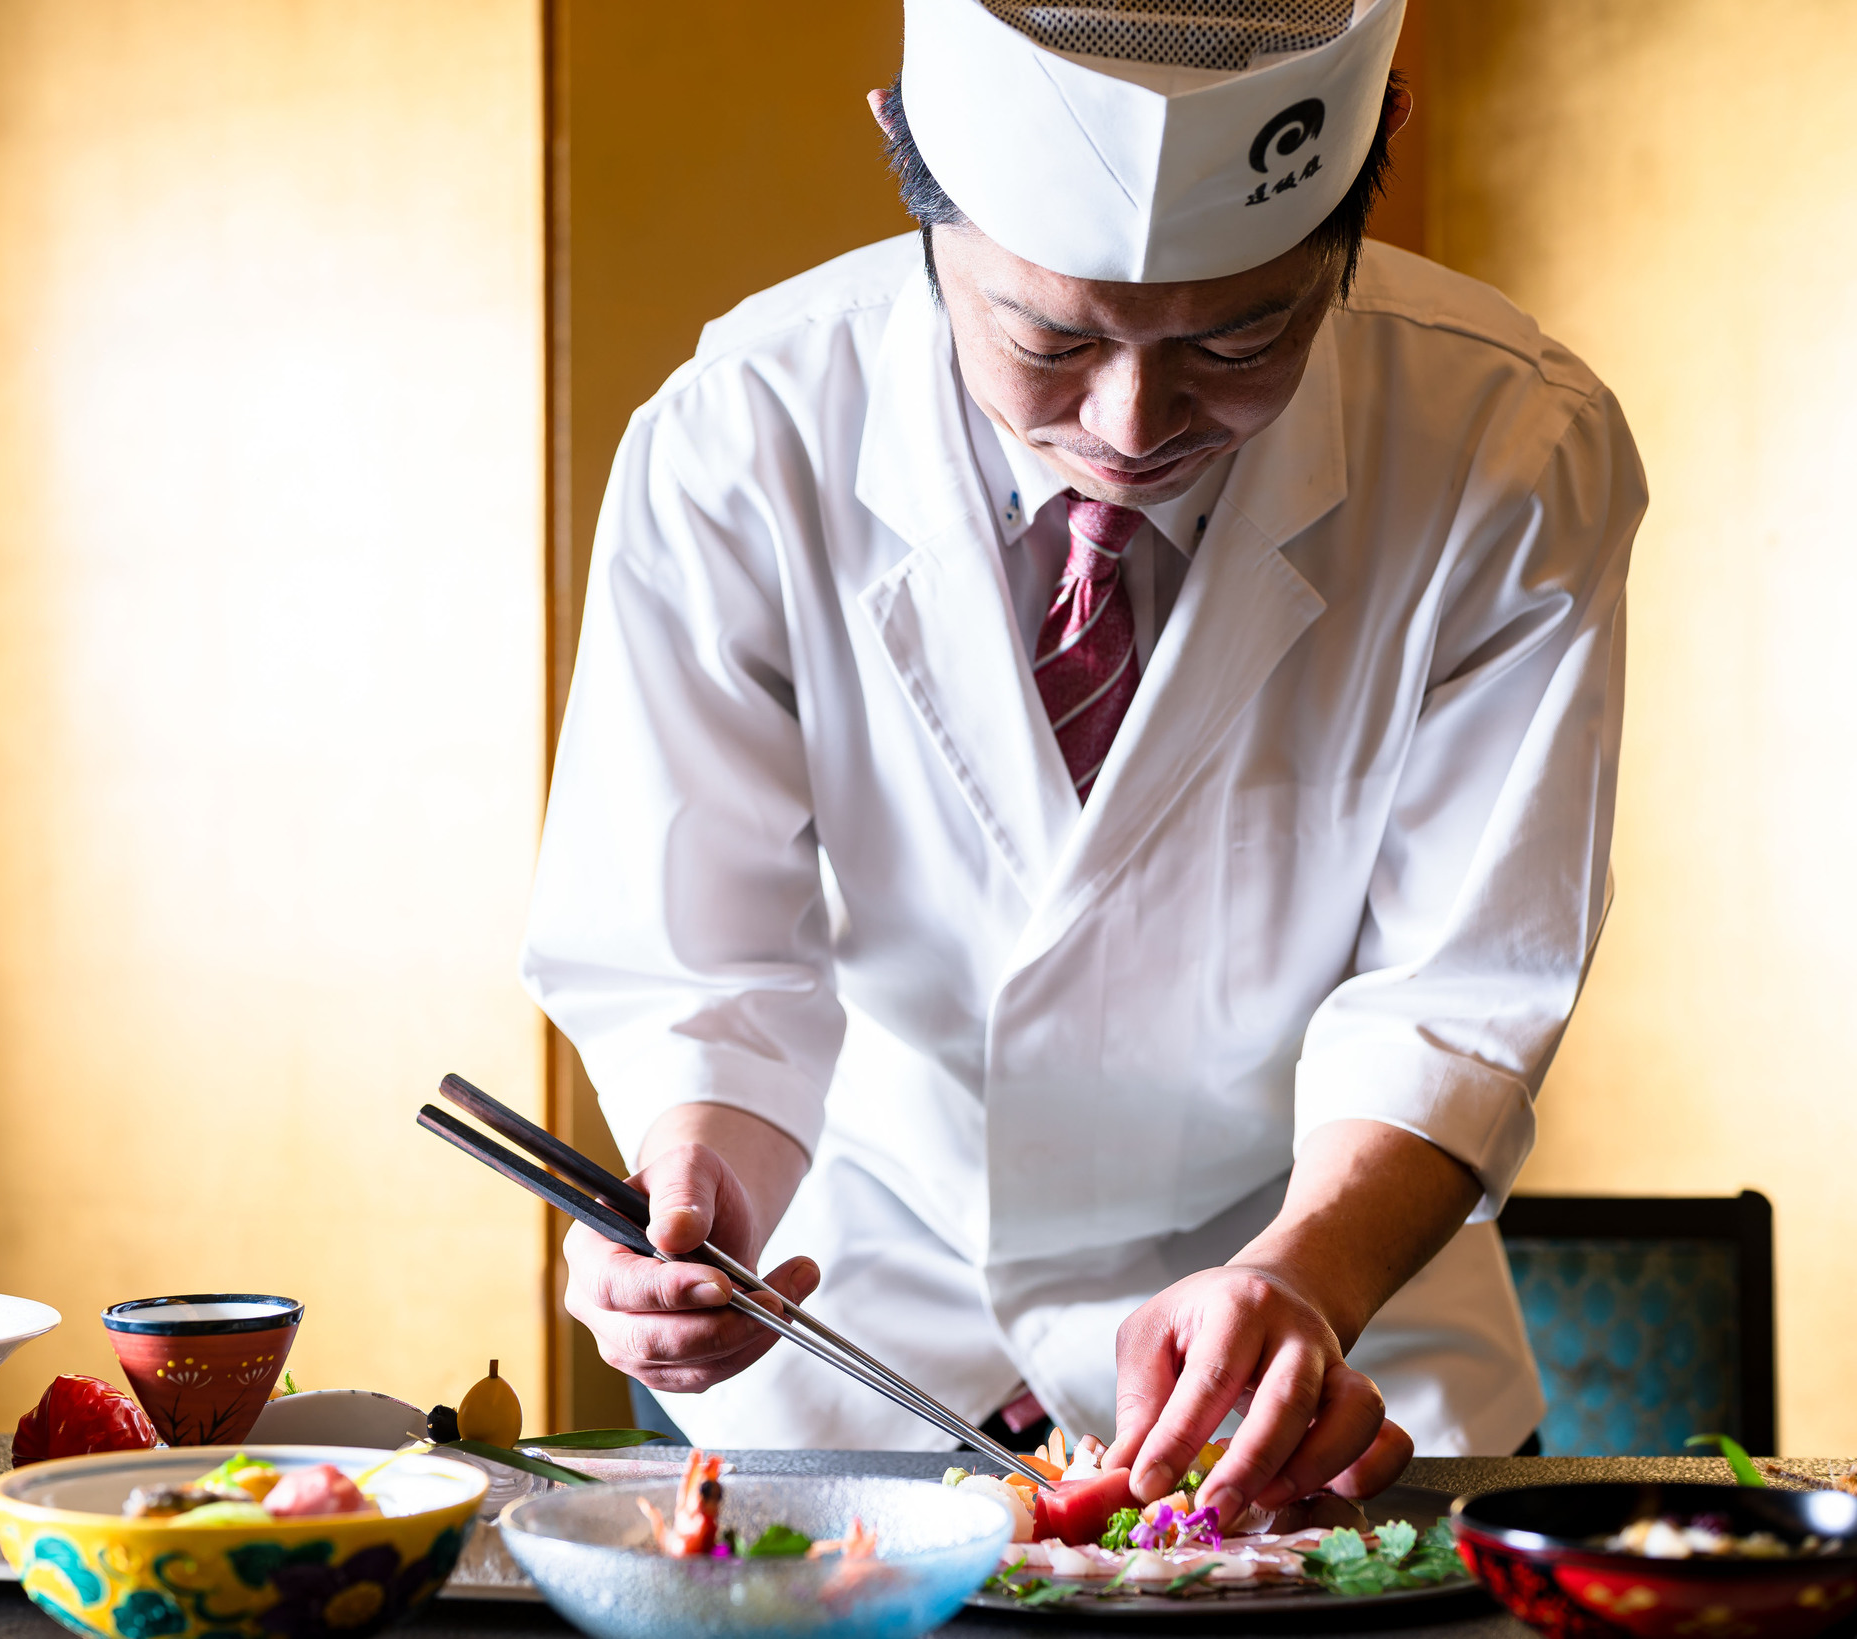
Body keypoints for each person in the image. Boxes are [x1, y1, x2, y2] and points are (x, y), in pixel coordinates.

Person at [521, 0, 1643, 1523]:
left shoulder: (1510, 446)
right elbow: (695, 957)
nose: (1133, 422)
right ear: (905, 163)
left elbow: (1460, 980)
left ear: (1375, 164)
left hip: (1330, 1326)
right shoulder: (744, 435)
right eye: (1049, 339)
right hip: (855, 1338)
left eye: (1241, 341)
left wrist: (1297, 1281)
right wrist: (697, 1190)